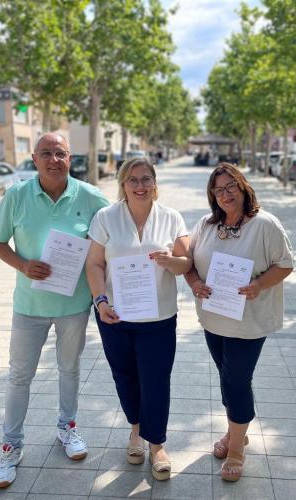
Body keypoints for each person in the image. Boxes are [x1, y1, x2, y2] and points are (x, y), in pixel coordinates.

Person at [0, 133, 109, 488]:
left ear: (70, 158)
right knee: (19, 376)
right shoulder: (17, 195)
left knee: (69, 369)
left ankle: (67, 428)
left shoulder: (91, 197)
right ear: (34, 159)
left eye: (60, 153)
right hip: (30, 306)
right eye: (46, 153)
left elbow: (114, 235)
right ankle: (10, 446)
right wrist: (23, 265)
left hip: (74, 305)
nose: (53, 160)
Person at [185, 163, 293, 482]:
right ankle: (236, 433)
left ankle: (236, 449)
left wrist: (259, 285)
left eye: (231, 186)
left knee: (236, 381)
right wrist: (194, 283)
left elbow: (285, 264)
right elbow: (188, 263)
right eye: (218, 189)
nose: (226, 193)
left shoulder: (265, 224)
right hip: (214, 318)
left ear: (243, 186)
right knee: (227, 379)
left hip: (249, 323)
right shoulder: (206, 225)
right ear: (212, 195)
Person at [86, 157, 192, 480]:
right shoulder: (106, 217)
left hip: (158, 318)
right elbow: (94, 264)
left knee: (156, 379)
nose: (140, 185)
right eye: (132, 180)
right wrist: (100, 301)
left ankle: (157, 443)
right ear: (123, 184)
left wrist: (170, 261)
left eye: (146, 179)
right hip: (114, 315)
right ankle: (136, 430)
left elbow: (187, 262)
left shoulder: (171, 217)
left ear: (155, 183)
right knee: (125, 375)